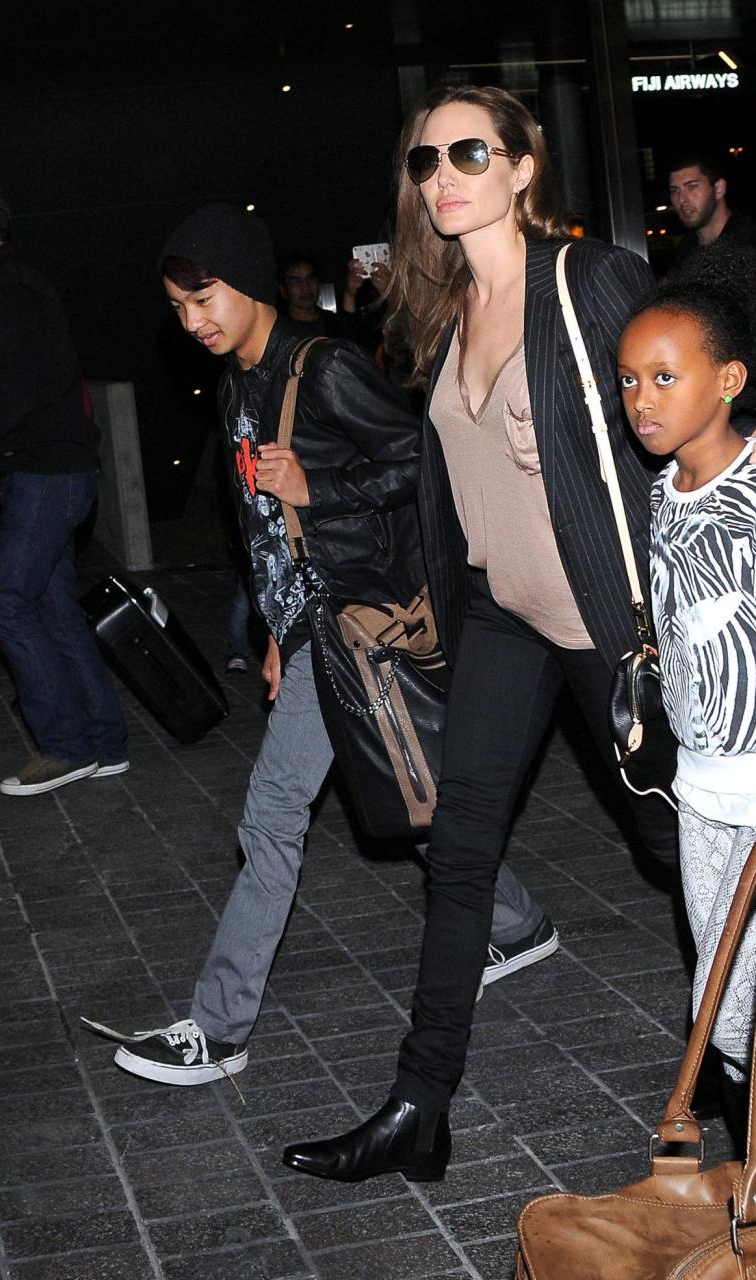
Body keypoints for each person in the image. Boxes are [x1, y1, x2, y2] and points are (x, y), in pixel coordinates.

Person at [281, 82, 683, 1185]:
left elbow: (676, 422)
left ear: (521, 166)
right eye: (425, 161)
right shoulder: (443, 310)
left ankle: (739, 1075)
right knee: (458, 854)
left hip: (610, 625)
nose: (444, 175)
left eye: (468, 152)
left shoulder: (589, 279)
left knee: (679, 853)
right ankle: (419, 1103)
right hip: (502, 619)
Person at [83, 202, 554, 1088]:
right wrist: (275, 631)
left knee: (272, 812)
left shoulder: (324, 367)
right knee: (406, 786)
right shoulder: (236, 385)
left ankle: (220, 1029)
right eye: (180, 308)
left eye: (205, 296)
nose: (195, 321)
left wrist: (325, 484)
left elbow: (428, 461)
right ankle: (516, 922)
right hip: (316, 629)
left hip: (362, 624)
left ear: (249, 280)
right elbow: (265, 534)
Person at [616, 241, 756, 1151]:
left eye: (667, 377)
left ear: (730, 379)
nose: (644, 400)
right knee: (727, 998)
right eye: (630, 381)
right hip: (703, 789)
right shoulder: (657, 492)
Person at [0, 176, 128, 795]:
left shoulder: (8, 290)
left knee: (6, 602)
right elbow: (26, 391)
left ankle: (65, 746)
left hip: (51, 474)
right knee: (54, 610)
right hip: (42, 469)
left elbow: (11, 394)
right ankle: (105, 743)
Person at [668, 152, 756, 266]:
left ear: (719, 189)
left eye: (692, 186)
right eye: (675, 190)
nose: (682, 199)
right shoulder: (684, 253)